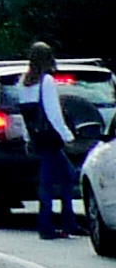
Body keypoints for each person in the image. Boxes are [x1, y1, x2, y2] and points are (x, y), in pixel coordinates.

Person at [24, 42, 82, 240]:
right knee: (55, 180)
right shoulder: (46, 80)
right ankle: (50, 225)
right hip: (51, 138)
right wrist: (67, 135)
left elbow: (27, 115)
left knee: (64, 176)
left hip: (38, 138)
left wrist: (27, 138)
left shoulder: (23, 83)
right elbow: (53, 113)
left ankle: (65, 221)